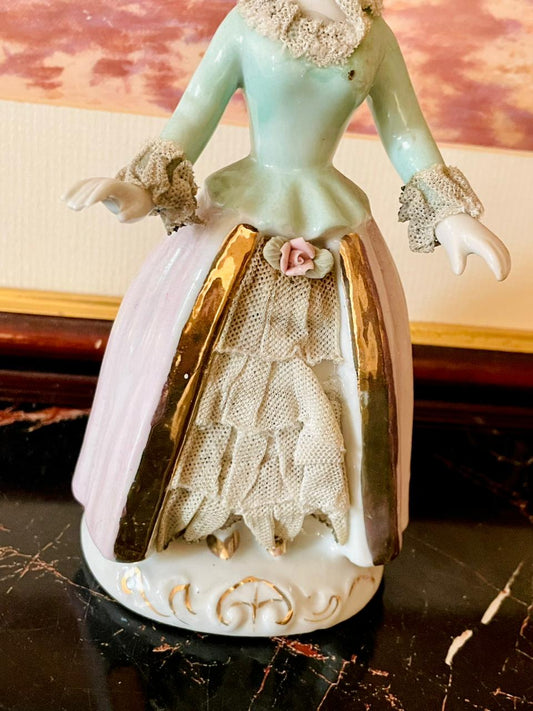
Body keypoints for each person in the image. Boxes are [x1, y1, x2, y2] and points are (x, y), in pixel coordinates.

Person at [64, 0, 510, 630]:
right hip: (242, 211)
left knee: (320, 387)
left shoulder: (372, 37)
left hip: (327, 215)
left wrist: (451, 215)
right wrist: (137, 188)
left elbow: (406, 134)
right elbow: (192, 116)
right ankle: (195, 514)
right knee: (209, 382)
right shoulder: (251, 21)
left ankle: (293, 515)